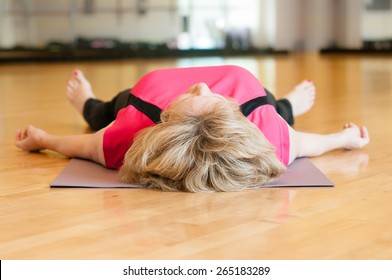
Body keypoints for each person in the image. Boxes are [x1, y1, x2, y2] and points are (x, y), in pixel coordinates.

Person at [15, 65, 369, 192]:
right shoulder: (269, 138)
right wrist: (344, 139)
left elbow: (76, 145)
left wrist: (43, 140)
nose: (201, 84)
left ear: (164, 118)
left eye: (195, 95)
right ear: (235, 114)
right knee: (274, 109)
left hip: (151, 92)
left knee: (103, 113)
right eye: (211, 97)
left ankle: (88, 102)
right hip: (245, 89)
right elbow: (311, 144)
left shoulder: (129, 134)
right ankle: (288, 106)